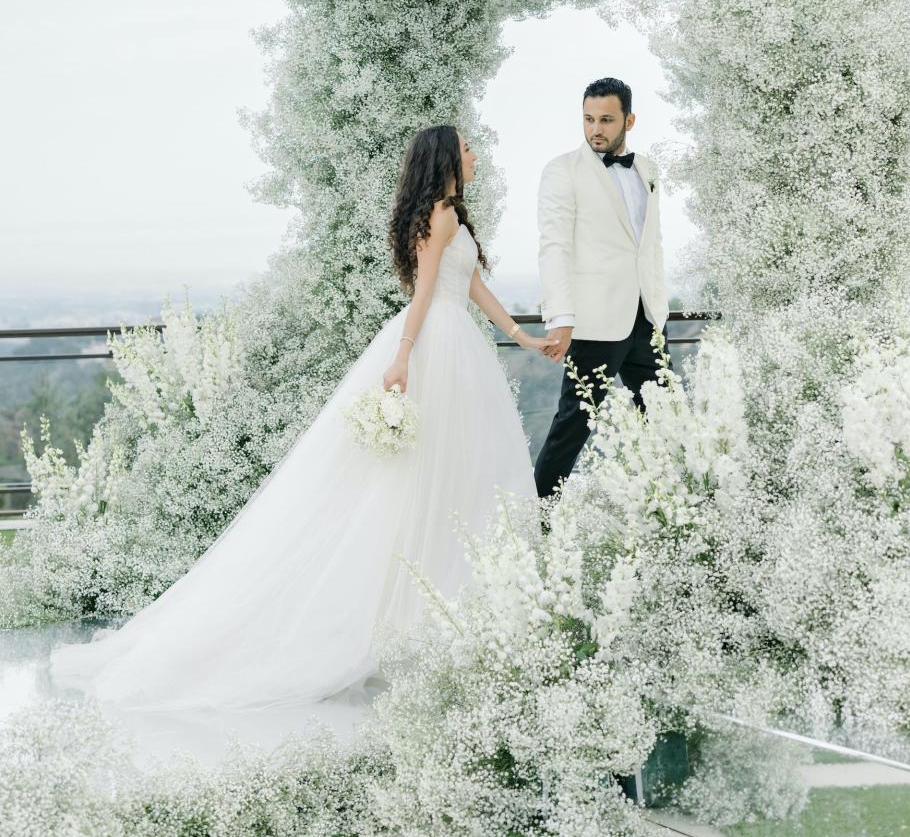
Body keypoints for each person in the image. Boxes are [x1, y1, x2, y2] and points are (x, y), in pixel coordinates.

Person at [49, 126, 544, 721]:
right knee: (424, 480)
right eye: (466, 147)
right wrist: (404, 355)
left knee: (447, 478)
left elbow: (472, 287)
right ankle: (414, 619)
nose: (474, 154)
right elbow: (422, 295)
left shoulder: (449, 213)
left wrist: (520, 337)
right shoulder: (439, 216)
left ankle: (435, 612)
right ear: (446, 158)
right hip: (436, 345)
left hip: (457, 345)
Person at [535, 77, 669, 499]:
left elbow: (651, 246)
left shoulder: (647, 170)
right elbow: (553, 246)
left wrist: (659, 310)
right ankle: (539, 515)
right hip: (592, 323)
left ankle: (672, 505)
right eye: (589, 119)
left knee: (667, 417)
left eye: (607, 120)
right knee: (573, 426)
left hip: (645, 319)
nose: (596, 128)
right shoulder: (562, 171)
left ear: (629, 119)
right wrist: (562, 318)